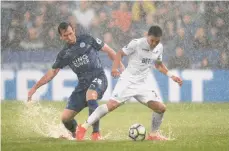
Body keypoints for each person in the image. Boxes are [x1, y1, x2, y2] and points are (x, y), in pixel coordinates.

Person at [76, 25, 183, 141]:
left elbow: (158, 65)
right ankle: (83, 127)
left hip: (142, 84)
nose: (154, 44)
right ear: (147, 36)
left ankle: (153, 135)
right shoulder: (136, 43)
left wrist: (172, 76)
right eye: (152, 40)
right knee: (111, 105)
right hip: (128, 81)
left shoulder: (159, 48)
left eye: (157, 42)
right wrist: (114, 68)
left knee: (161, 108)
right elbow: (119, 54)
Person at [27, 22, 124, 140]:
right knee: (65, 118)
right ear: (61, 37)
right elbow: (52, 72)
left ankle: (96, 134)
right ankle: (74, 134)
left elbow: (109, 51)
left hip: (99, 77)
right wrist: (35, 88)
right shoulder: (64, 54)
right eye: (65, 35)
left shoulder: (87, 39)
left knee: (91, 95)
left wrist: (122, 68)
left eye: (70, 34)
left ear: (74, 30)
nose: (69, 37)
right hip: (82, 85)